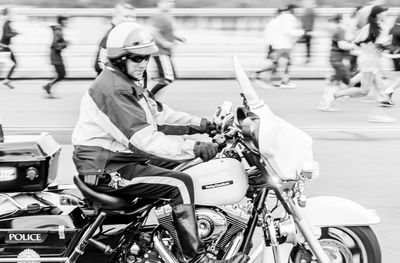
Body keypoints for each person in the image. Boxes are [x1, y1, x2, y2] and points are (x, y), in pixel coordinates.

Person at [71, 22, 249, 263]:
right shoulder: (112, 90)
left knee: (188, 168)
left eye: (147, 57)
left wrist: (206, 125)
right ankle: (194, 257)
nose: (143, 63)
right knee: (180, 184)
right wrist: (194, 147)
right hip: (107, 168)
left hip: (121, 158)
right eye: (137, 58)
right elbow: (144, 140)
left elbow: (161, 117)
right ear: (120, 59)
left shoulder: (129, 83)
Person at [319, 6, 395, 121]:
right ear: (379, 15)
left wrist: (371, 48)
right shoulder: (382, 28)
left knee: (378, 88)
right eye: (386, 13)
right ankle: (334, 95)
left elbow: (357, 42)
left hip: (368, 60)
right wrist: (385, 48)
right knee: (366, 90)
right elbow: (383, 45)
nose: (387, 16)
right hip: (370, 62)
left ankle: (377, 114)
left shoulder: (368, 27)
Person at [252, 4, 304, 89]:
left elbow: (269, 33)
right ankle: (259, 75)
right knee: (280, 64)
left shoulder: (276, 20)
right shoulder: (285, 19)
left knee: (281, 64)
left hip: (278, 45)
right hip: (281, 46)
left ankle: (281, 81)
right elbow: (287, 31)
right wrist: (301, 33)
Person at [149, 0, 185, 97]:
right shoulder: (159, 16)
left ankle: (153, 100)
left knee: (165, 78)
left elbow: (167, 32)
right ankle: (150, 98)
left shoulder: (167, 16)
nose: (170, 4)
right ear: (159, 3)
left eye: (171, 2)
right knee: (168, 77)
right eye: (167, 1)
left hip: (164, 52)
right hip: (161, 52)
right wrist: (164, 43)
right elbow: (154, 32)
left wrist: (178, 38)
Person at [94, 2, 136, 75]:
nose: (130, 20)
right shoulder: (110, 37)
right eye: (126, 16)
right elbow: (99, 65)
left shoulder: (126, 34)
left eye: (133, 17)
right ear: (116, 17)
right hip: (110, 83)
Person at [43, 15, 69, 97]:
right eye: (65, 20)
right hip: (55, 55)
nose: (67, 22)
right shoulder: (58, 31)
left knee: (61, 74)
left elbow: (58, 43)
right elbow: (55, 45)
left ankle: (49, 86)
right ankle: (48, 86)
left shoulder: (58, 30)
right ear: (61, 21)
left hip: (56, 55)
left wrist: (64, 43)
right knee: (62, 74)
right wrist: (65, 44)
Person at [0, 7, 18, 89]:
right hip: (4, 48)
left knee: (11, 64)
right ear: (7, 14)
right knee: (7, 65)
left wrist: (13, 32)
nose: (12, 15)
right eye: (10, 14)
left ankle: (6, 80)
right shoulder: (7, 23)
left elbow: (7, 34)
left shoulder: (7, 23)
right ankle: (6, 80)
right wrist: (15, 34)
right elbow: (7, 35)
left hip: (5, 48)